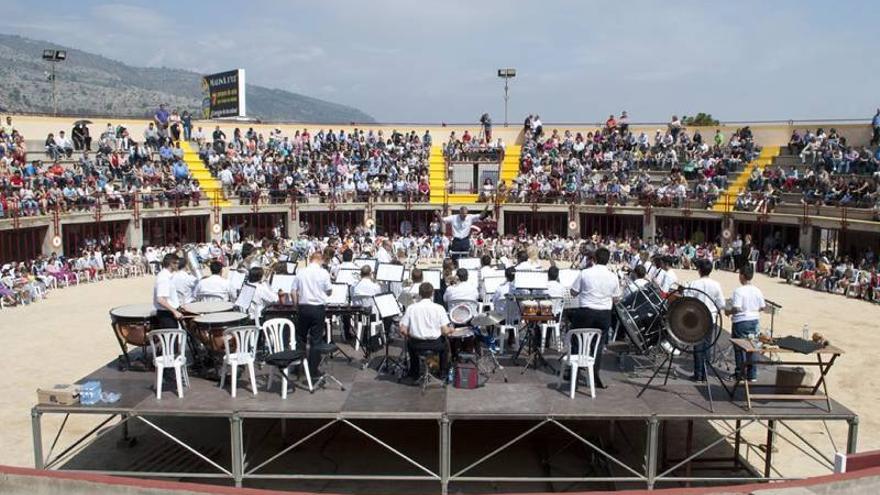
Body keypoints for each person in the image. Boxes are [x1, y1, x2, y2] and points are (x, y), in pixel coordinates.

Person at [569, 247, 621, 389]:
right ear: (608, 259)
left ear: (595, 258)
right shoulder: (613, 276)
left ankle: (573, 369)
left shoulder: (585, 273)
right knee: (598, 344)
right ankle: (595, 373)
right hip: (604, 313)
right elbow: (616, 299)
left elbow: (573, 292)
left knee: (576, 339)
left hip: (586, 311)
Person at [399, 282, 453, 382]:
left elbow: (403, 329)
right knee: (445, 345)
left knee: (410, 343)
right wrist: (451, 329)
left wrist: (411, 333)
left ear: (419, 293)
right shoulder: (439, 308)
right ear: (432, 293)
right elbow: (445, 331)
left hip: (417, 344)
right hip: (435, 344)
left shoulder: (411, 308)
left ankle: (414, 372)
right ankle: (443, 372)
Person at [684, 259, 725, 382]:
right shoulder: (716, 284)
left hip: (697, 319)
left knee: (697, 346)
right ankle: (705, 374)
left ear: (700, 270)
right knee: (707, 346)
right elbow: (721, 303)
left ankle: (698, 374)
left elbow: (687, 300)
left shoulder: (694, 283)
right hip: (710, 317)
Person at [293, 252, 333, 376]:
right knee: (316, 340)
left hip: (304, 307)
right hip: (318, 309)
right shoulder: (323, 273)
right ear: (320, 260)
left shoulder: (301, 272)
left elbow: (293, 291)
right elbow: (329, 290)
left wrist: (296, 307)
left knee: (300, 338)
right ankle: (313, 369)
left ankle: (298, 366)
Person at [726, 265, 766, 382]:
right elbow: (762, 307)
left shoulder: (738, 291)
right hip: (754, 321)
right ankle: (752, 374)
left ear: (742, 276)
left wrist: (728, 311)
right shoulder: (757, 290)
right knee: (752, 347)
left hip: (741, 321)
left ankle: (740, 373)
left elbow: (737, 308)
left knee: (739, 348)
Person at [153, 253, 182, 328]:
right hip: (166, 315)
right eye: (176, 263)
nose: (178, 265)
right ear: (171, 264)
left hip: (169, 313)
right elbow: (161, 299)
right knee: (171, 338)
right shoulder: (164, 278)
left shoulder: (169, 276)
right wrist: (174, 311)